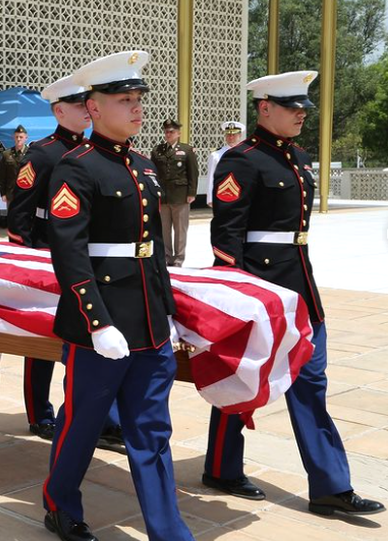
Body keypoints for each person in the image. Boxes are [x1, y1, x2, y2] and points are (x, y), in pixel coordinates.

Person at [203, 70, 384, 517]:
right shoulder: (240, 160)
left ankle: (329, 486)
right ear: (264, 108)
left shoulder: (299, 157)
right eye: (291, 107)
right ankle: (222, 468)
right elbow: (227, 237)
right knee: (244, 377)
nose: (301, 113)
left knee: (310, 382)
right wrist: (240, 295)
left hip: (301, 284)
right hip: (261, 288)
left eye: (304, 107)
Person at [42, 51, 194, 541]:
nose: (136, 108)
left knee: (151, 431)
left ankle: (168, 531)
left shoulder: (146, 167)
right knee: (83, 424)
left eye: (138, 98)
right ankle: (60, 503)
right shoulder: (76, 168)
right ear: (93, 107)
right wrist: (96, 321)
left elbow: (150, 253)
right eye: (124, 99)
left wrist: (170, 313)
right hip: (101, 325)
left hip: (149, 321)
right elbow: (68, 251)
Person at [6, 76, 123, 448]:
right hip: (46, 252)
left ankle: (103, 417)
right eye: (77, 106)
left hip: (89, 256)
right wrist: (27, 258)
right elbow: (19, 211)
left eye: (86, 104)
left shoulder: (94, 153)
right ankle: (40, 412)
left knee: (95, 338)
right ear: (59, 111)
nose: (85, 111)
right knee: (43, 341)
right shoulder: (42, 153)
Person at [150, 119, 197, 267]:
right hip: (163, 196)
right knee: (164, 229)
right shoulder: (157, 150)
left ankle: (178, 258)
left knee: (180, 230)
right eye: (166, 131)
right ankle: (166, 257)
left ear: (178, 133)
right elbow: (153, 173)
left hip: (180, 195)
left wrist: (192, 193)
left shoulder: (187, 150)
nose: (168, 134)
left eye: (172, 131)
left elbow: (193, 173)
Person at [205, 120, 244, 207]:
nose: (231, 137)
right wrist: (210, 199)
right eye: (228, 134)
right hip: (222, 195)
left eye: (234, 134)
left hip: (242, 195)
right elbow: (211, 177)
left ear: (240, 135)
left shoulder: (246, 153)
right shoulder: (215, 155)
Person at [0, 125, 28, 206]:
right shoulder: (6, 154)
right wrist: (3, 193)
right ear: (13, 137)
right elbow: (2, 176)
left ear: (26, 138)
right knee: (11, 216)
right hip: (11, 193)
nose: (18, 139)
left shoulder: (31, 153)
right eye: (16, 137)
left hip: (26, 193)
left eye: (21, 137)